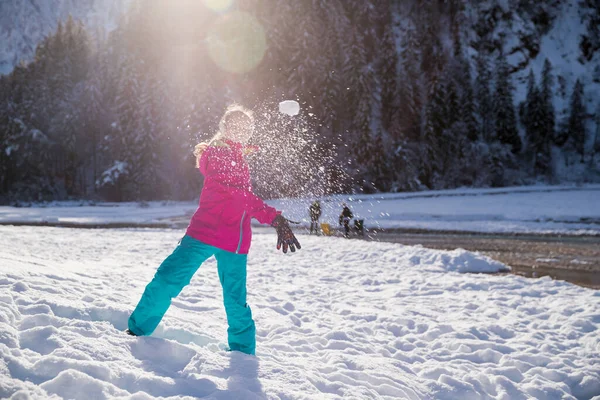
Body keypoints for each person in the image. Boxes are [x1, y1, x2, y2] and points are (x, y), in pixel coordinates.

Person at [126, 104, 301, 356]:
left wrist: (274, 218)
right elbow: (238, 195)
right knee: (168, 278)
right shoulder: (219, 154)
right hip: (204, 232)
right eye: (236, 125)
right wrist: (274, 218)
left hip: (235, 240)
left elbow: (241, 197)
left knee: (235, 301)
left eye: (246, 127)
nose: (241, 130)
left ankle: (242, 353)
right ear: (225, 128)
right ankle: (137, 331)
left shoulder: (239, 157)